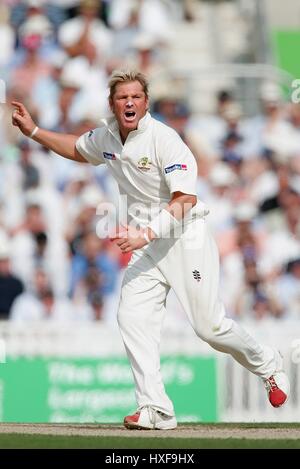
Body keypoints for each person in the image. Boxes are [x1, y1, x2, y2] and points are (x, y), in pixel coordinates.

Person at [11, 69, 290, 430]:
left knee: (208, 327)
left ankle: (269, 364)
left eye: (136, 97)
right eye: (122, 97)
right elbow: (77, 149)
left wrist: (146, 232)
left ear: (145, 102)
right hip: (149, 244)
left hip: (184, 237)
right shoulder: (107, 135)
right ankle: (156, 408)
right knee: (131, 315)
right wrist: (33, 131)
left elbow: (186, 198)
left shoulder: (165, 139)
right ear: (112, 104)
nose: (129, 102)